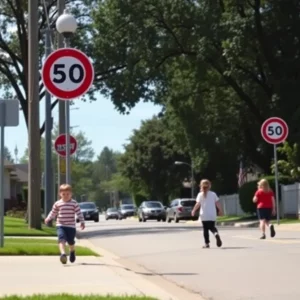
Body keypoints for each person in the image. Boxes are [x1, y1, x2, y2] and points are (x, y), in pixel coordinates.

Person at [45, 184, 85, 264]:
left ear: (71, 194)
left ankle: (72, 251)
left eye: (68, 194)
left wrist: (82, 221)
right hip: (60, 225)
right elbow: (53, 212)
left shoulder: (74, 203)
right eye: (63, 194)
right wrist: (48, 218)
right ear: (60, 194)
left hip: (71, 226)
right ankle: (63, 254)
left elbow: (79, 213)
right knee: (61, 239)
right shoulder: (57, 203)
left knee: (71, 242)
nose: (66, 196)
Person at [191, 179, 223, 248]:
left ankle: (207, 243)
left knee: (205, 229)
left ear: (201, 186)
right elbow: (217, 203)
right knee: (212, 227)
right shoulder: (213, 194)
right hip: (212, 214)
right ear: (209, 186)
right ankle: (216, 233)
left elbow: (198, 204)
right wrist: (220, 210)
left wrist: (193, 210)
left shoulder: (200, 195)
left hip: (204, 215)